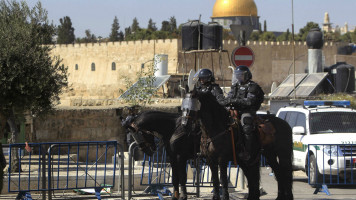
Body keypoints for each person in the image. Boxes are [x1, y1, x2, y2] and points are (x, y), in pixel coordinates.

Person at [224, 65, 264, 161]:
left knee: (246, 124)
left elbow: (249, 101)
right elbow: (230, 96)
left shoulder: (253, 87)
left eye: (241, 75)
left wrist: (236, 101)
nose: (239, 77)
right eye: (237, 75)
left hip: (247, 111)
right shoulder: (235, 86)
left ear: (247, 75)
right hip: (234, 110)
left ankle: (248, 151)